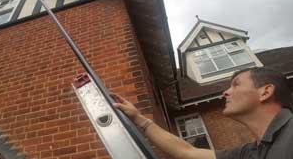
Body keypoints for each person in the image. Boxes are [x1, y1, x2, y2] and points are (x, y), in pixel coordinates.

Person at [113, 67, 293, 159]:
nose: (225, 92)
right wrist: (139, 119)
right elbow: (187, 152)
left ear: (265, 92)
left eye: (236, 84)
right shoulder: (250, 153)